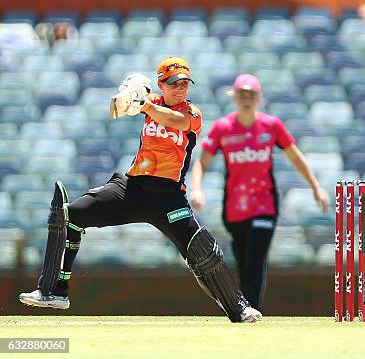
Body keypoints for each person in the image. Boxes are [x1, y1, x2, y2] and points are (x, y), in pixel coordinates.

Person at [19, 57, 262, 323]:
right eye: (173, 84)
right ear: (161, 84)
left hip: (168, 197)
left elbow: (174, 120)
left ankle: (239, 309)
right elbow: (116, 108)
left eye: (184, 84)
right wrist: (126, 95)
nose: (180, 89)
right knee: (70, 216)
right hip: (132, 189)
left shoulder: (191, 113)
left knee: (201, 250)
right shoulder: (149, 101)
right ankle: (54, 291)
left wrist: (142, 104)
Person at [189, 74, 329, 311]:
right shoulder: (223, 128)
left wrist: (316, 187)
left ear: (259, 98)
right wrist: (196, 189)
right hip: (234, 209)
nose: (246, 100)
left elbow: (294, 155)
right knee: (244, 260)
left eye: (251, 95)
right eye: (242, 95)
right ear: (234, 97)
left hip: (265, 206)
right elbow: (202, 161)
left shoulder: (271, 126)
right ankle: (245, 308)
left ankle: (250, 308)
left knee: (255, 258)